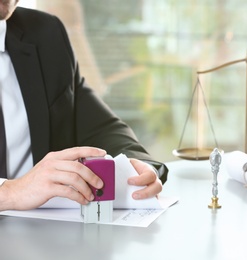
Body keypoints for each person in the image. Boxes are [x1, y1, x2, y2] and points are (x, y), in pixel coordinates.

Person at [0, 1, 168, 211]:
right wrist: (10, 193)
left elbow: (100, 127)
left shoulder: (45, 33)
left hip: (47, 235)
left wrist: (137, 165)